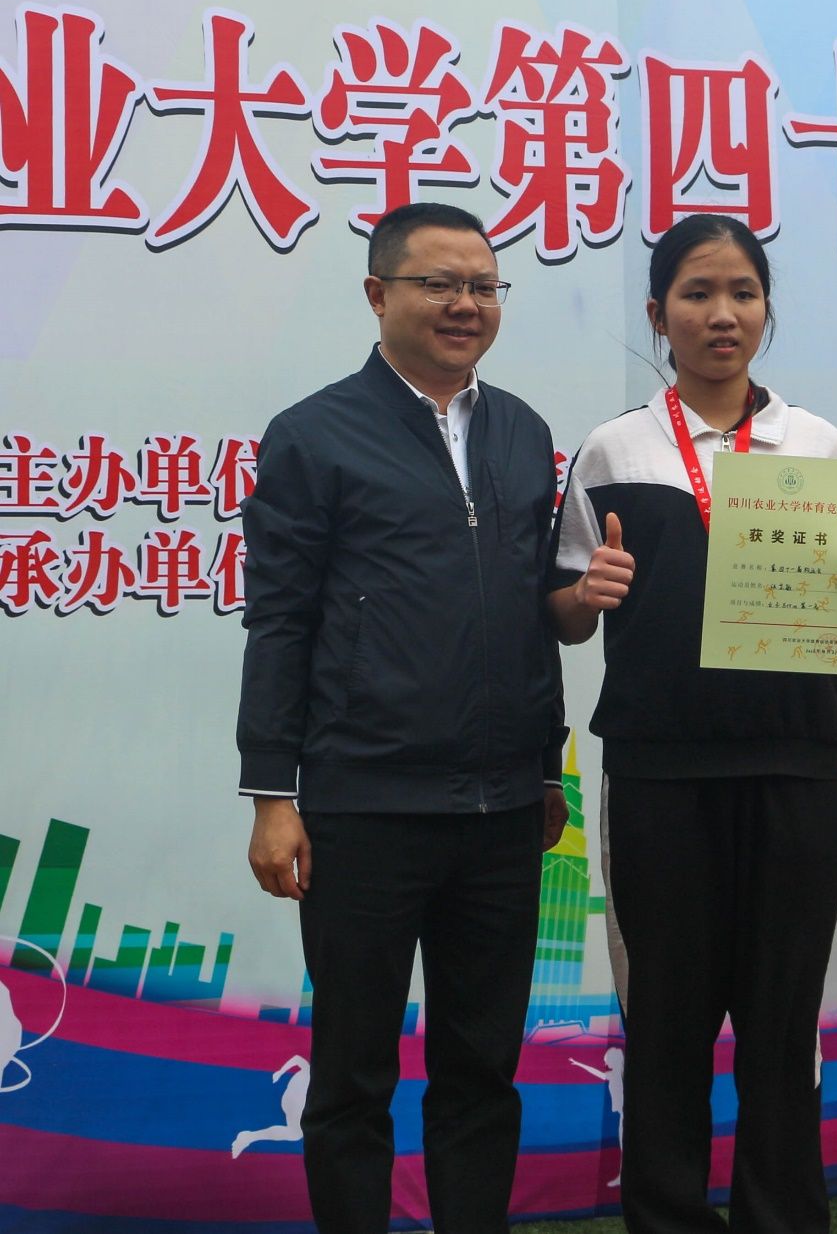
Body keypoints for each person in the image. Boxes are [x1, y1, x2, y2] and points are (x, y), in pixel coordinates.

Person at [549, 213, 837, 1234]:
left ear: (766, 310)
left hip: (795, 768)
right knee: (668, 1026)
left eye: (742, 292)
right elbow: (563, 612)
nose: (722, 313)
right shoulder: (613, 449)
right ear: (659, 314)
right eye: (697, 293)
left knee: (782, 1026)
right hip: (658, 778)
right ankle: (666, 1216)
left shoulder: (817, 446)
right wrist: (586, 593)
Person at [236, 201, 568, 1234]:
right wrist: (273, 793)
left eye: (484, 286)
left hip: (503, 813)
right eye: (440, 284)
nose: (465, 304)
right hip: (363, 807)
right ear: (379, 295)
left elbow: (531, 613)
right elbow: (279, 620)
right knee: (352, 1075)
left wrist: (546, 770)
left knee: (482, 1070)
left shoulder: (523, 433)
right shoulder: (313, 434)